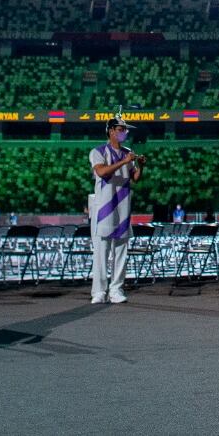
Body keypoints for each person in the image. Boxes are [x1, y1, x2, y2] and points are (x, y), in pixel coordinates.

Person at [89, 113, 145, 305]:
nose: (124, 133)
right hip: (104, 208)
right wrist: (124, 161)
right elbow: (102, 172)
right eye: (121, 130)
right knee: (101, 252)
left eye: (125, 130)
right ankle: (99, 291)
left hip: (123, 206)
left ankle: (117, 289)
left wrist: (140, 167)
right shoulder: (98, 151)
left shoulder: (128, 151)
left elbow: (134, 178)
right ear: (111, 131)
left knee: (121, 250)